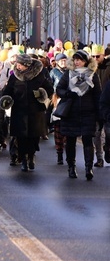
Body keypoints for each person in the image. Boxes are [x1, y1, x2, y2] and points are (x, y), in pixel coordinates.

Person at [0, 53, 53, 172]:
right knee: (21, 137)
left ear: (27, 65)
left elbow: (50, 89)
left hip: (35, 111)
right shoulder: (14, 77)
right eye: (17, 64)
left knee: (33, 137)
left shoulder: (39, 76)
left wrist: (41, 93)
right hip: (19, 111)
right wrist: (6, 99)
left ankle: (31, 157)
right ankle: (23, 159)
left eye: (20, 65)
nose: (18, 67)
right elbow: (8, 91)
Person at [56, 50, 101, 180]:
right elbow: (59, 89)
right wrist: (67, 94)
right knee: (70, 141)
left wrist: (99, 115)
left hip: (88, 113)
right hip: (71, 113)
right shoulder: (68, 74)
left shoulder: (93, 76)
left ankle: (88, 168)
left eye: (80, 60)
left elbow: (98, 95)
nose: (77, 62)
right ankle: (71, 167)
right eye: (75, 59)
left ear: (86, 61)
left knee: (88, 140)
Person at [50, 52, 69, 164]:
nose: (63, 62)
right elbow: (50, 85)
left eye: (65, 60)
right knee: (58, 126)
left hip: (68, 100)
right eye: (61, 60)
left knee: (67, 127)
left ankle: (67, 151)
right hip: (57, 100)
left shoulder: (70, 72)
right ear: (57, 62)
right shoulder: (53, 72)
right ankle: (59, 153)